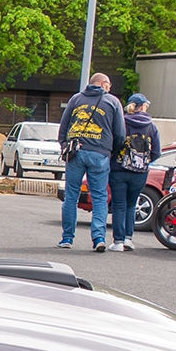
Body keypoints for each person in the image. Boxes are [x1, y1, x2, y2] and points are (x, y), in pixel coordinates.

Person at [57, 72, 126, 252]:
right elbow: (120, 133)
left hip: (76, 152)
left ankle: (67, 238)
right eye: (109, 85)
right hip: (100, 154)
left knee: (71, 195)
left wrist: (64, 145)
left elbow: (63, 127)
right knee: (100, 197)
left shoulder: (76, 99)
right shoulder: (112, 102)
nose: (110, 88)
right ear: (103, 84)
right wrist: (111, 151)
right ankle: (98, 238)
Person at [108, 92, 162, 251]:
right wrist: (145, 161)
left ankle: (117, 241)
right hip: (140, 172)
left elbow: (115, 142)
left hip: (118, 169)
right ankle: (128, 239)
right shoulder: (151, 126)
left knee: (119, 205)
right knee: (132, 204)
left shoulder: (121, 123)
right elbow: (157, 151)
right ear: (143, 106)